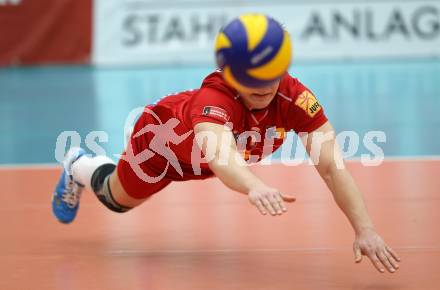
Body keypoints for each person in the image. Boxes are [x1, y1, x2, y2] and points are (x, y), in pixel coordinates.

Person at [52, 25, 401, 275]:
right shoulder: (214, 99)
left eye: (271, 75)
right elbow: (221, 156)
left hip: (202, 160)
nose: (264, 85)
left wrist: (365, 228)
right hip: (160, 146)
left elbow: (331, 166)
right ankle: (78, 164)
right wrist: (254, 185)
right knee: (117, 201)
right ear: (231, 73)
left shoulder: (295, 99)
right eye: (252, 77)